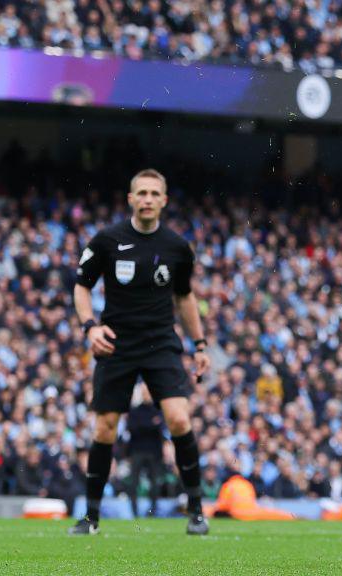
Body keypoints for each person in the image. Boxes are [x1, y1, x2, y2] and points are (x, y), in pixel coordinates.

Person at [69, 168, 211, 536]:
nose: (147, 199)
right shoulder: (106, 240)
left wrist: (199, 344)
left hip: (161, 342)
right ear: (130, 198)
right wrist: (90, 327)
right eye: (141, 193)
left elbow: (184, 297)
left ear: (164, 200)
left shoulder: (178, 247)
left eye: (154, 194)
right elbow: (81, 287)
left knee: (179, 419)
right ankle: (91, 517)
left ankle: (196, 510)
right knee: (105, 427)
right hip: (116, 342)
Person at [125, 385, 166, 518]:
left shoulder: (157, 410)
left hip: (154, 452)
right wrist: (151, 424)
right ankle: (134, 511)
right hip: (137, 451)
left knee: (154, 484)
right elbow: (132, 428)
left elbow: (159, 428)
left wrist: (144, 425)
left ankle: (152, 512)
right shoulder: (135, 411)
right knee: (134, 483)